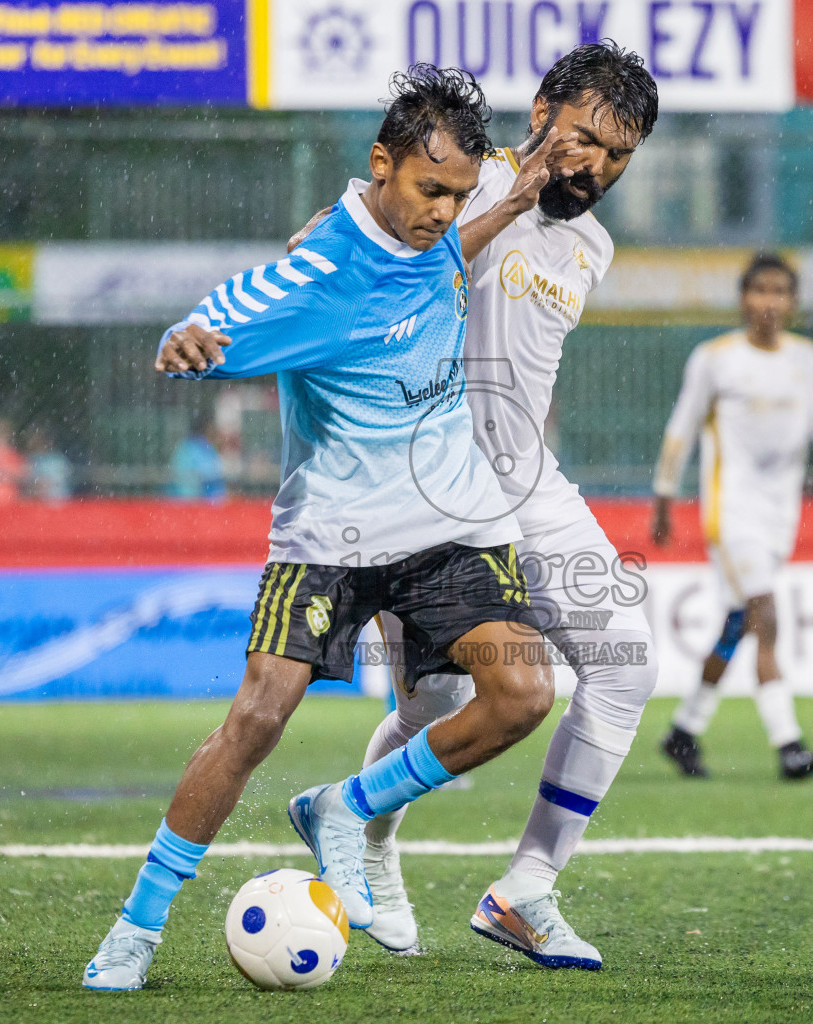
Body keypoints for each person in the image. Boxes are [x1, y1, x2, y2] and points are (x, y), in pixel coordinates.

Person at [82, 65, 566, 992]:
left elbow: (443, 256)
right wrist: (185, 337)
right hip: (332, 535)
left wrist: (510, 199)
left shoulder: (436, 229)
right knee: (256, 719)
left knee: (523, 695)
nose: (441, 211)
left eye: (457, 194)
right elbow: (228, 310)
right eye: (430, 190)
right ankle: (137, 927)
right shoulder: (319, 271)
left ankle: (347, 810)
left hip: (445, 523)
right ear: (380, 165)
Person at [288, 41, 660, 970]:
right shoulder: (451, 175)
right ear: (540, 112)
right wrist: (506, 203)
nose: (595, 167)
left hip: (531, 487)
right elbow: (319, 253)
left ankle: (525, 887)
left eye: (619, 155)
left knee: (626, 668)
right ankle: (367, 837)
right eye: (583, 139)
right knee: (441, 701)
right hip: (427, 498)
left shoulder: (592, 243)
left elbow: (526, 363)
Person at [652, 252, 813, 781]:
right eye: (759, 291)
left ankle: (683, 732)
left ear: (793, 303)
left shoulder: (807, 359)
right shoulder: (715, 358)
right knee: (765, 614)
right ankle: (789, 745)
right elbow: (681, 428)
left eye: (779, 292)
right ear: (743, 298)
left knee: (733, 626)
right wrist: (663, 497)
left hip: (778, 516)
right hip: (732, 511)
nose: (768, 302)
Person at [166, 413, 225, 501]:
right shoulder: (193, 448)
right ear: (207, 428)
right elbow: (210, 474)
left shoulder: (198, 446)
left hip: (197, 500)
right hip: (191, 500)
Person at [25, 426, 72, 502]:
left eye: (37, 439)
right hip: (36, 501)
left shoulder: (58, 460)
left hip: (56, 501)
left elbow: (59, 483)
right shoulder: (31, 459)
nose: (31, 441)